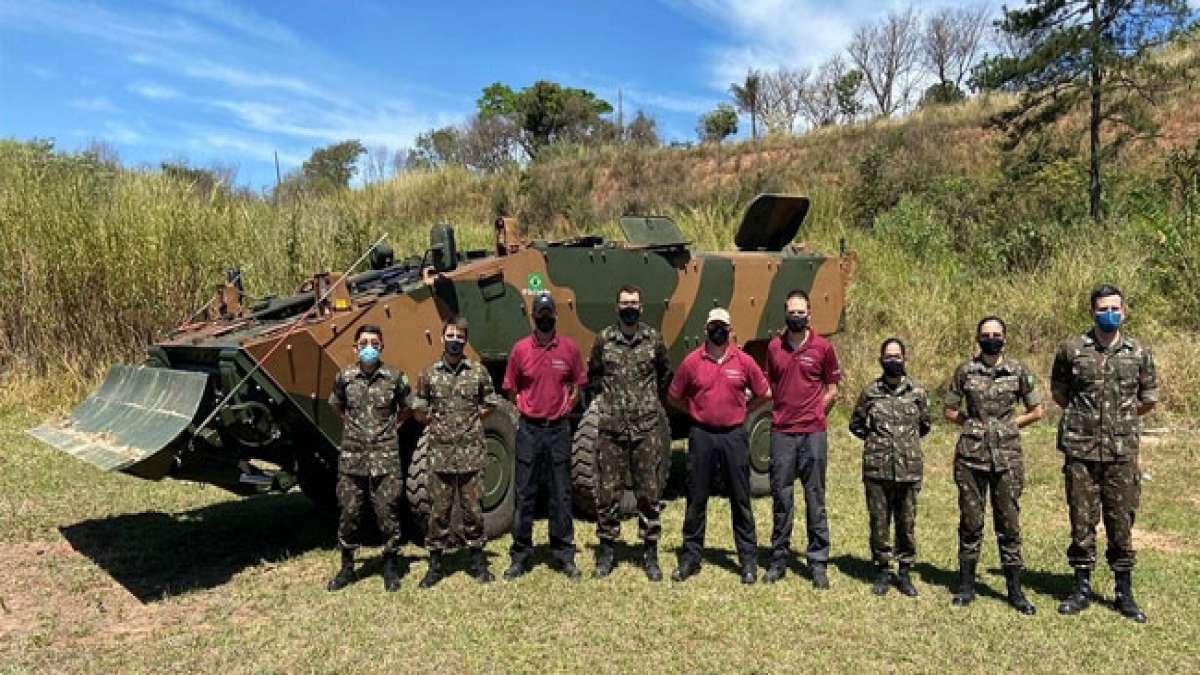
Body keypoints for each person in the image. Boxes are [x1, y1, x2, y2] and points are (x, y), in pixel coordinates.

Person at [1052, 285, 1158, 623]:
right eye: (1102, 309)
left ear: (1124, 312)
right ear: (1092, 312)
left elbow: (1148, 398)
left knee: (1121, 520)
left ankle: (1123, 591)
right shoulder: (1071, 350)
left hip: (1121, 451)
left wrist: (1118, 420)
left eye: (1114, 308)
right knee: (1081, 519)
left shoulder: (1138, 352)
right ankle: (1081, 588)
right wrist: (1088, 420)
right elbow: (1060, 393)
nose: (1109, 314)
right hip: (1081, 450)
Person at [944, 316, 1044, 614]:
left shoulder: (1018, 371)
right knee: (971, 523)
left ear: (1005, 338)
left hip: (1007, 458)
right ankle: (966, 586)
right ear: (978, 338)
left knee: (1008, 524)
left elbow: (1036, 411)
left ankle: (1015, 590)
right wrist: (973, 425)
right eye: (986, 335)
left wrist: (1008, 426)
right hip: (971, 458)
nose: (991, 339)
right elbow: (949, 410)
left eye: (996, 334)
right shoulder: (965, 371)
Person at [667, 307, 770, 585]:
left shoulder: (744, 361)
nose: (718, 331)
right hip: (702, 435)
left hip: (734, 435)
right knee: (696, 498)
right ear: (706, 330)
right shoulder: (692, 362)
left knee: (740, 498)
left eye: (722, 326)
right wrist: (693, 411)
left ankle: (748, 561)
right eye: (713, 326)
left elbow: (764, 392)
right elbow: (674, 396)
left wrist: (746, 410)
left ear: (730, 330)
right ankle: (690, 558)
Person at [586, 285, 672, 581]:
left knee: (648, 492)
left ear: (641, 307)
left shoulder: (653, 340)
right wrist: (610, 404)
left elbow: (664, 374)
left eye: (634, 303)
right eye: (625, 303)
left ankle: (650, 551)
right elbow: (594, 375)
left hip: (645, 428)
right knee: (607, 492)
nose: (629, 308)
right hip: (612, 429)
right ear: (617, 307)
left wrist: (646, 403)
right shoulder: (604, 340)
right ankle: (607, 550)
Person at [411, 317, 503, 588]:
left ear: (465, 340)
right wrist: (436, 423)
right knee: (438, 512)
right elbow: (419, 407)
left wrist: (471, 420)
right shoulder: (429, 374)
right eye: (450, 335)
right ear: (442, 338)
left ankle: (477, 561)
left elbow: (490, 402)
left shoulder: (477, 372)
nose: (454, 341)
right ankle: (435, 565)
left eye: (460, 337)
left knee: (473, 511)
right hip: (440, 454)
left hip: (471, 454)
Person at [502, 293, 587, 580]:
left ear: (555, 315)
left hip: (558, 430)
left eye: (549, 312)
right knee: (524, 493)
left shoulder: (569, 349)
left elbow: (578, 384)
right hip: (529, 429)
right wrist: (524, 408)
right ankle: (520, 554)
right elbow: (511, 387)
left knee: (561, 493)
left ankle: (564, 553)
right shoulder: (520, 350)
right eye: (540, 313)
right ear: (533, 316)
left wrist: (567, 407)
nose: (545, 317)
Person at [763, 289, 842, 588]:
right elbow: (769, 386)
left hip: (813, 434)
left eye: (801, 312)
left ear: (809, 313)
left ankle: (818, 562)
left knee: (815, 498)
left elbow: (833, 389)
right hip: (782, 433)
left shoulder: (823, 348)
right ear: (785, 313)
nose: (796, 316)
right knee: (781, 498)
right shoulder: (774, 347)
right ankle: (778, 559)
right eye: (791, 312)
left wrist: (817, 413)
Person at [326, 324, 412, 592]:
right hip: (353, 458)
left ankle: (390, 565)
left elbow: (407, 407)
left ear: (382, 346)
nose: (369, 348)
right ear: (355, 347)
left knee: (387, 512)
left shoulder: (395, 377)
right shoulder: (345, 377)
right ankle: (347, 567)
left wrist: (391, 428)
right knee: (349, 512)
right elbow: (336, 405)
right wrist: (352, 428)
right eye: (363, 343)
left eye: (374, 343)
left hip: (386, 458)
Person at [848, 338, 931, 597]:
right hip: (877, 469)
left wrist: (904, 445)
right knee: (879, 522)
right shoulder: (870, 392)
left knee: (906, 522)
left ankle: (904, 571)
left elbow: (925, 425)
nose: (893, 360)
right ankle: (883, 569)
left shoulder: (917, 393)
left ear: (905, 359)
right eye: (888, 356)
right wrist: (878, 443)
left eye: (897, 356)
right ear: (881, 360)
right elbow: (856, 424)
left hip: (908, 469)